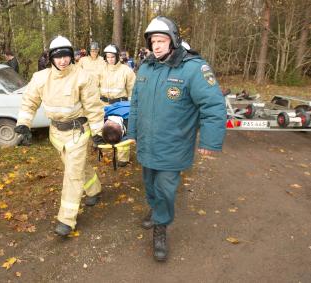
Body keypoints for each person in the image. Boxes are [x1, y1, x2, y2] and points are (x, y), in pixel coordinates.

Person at [127, 16, 226, 262]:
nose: (157, 46)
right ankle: (155, 208)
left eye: (162, 40)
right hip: (147, 144)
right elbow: (136, 103)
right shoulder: (146, 67)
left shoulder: (193, 68)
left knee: (166, 189)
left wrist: (209, 142)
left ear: (173, 40)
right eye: (153, 41)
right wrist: (132, 131)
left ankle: (161, 228)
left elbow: (213, 105)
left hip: (174, 146)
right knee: (150, 185)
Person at [14, 36, 105, 237]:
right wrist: (23, 124)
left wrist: (98, 133)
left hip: (78, 133)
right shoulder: (40, 78)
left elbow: (94, 108)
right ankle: (95, 189)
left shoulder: (83, 77)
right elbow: (29, 102)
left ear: (71, 57)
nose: (63, 60)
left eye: (66, 56)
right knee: (77, 167)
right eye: (58, 56)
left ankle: (66, 219)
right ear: (51, 58)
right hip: (56, 134)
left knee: (72, 174)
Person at [98, 44, 135, 167]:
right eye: (108, 57)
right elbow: (94, 87)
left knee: (123, 130)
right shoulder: (101, 70)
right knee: (106, 128)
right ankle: (102, 147)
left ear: (118, 56)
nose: (110, 59)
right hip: (104, 104)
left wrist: (132, 105)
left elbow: (132, 89)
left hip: (121, 105)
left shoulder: (126, 70)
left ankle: (123, 158)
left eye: (113, 57)